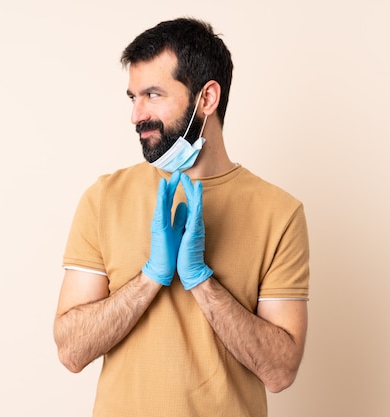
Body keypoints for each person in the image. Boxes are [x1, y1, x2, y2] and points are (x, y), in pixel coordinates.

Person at [53, 17, 310, 417]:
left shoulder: (279, 213)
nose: (136, 115)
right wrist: (150, 278)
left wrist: (201, 281)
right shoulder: (103, 199)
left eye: (152, 95)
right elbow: (70, 351)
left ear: (206, 99)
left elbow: (280, 371)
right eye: (132, 97)